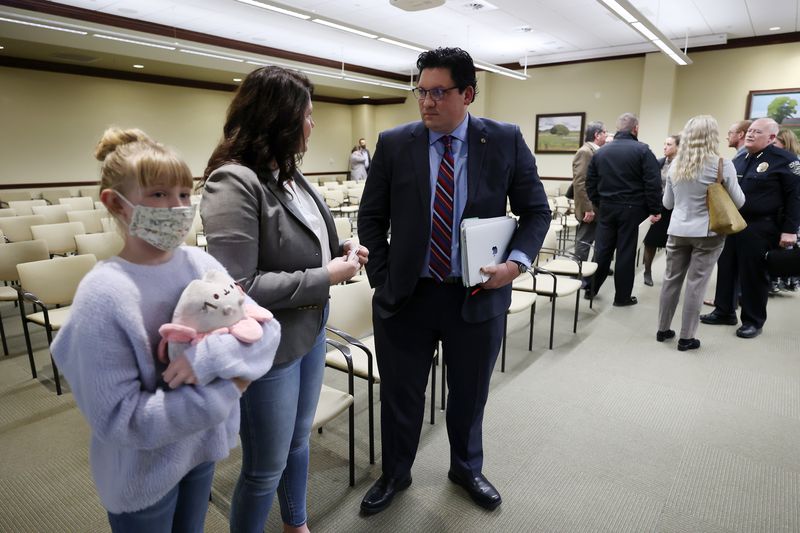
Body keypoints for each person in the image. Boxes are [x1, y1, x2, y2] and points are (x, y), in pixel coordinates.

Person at [51, 127, 280, 532]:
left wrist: (208, 359)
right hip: (143, 472)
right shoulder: (104, 295)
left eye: (184, 194)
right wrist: (230, 388)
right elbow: (122, 420)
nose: (176, 207)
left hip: (200, 450)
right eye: (158, 195)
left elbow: (265, 329)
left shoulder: (197, 263)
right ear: (116, 204)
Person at [357, 47, 551, 515]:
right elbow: (371, 217)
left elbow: (536, 211)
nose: (426, 102)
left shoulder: (503, 140)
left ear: (468, 94)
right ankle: (395, 473)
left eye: (438, 92)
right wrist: (382, 280)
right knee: (401, 394)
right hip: (407, 297)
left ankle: (466, 468)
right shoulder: (395, 142)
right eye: (421, 92)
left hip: (478, 294)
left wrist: (517, 263)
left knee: (469, 392)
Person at [201, 66, 367, 533]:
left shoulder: (290, 174)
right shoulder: (233, 181)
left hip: (309, 332)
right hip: (267, 346)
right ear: (279, 118)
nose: (313, 125)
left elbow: (307, 244)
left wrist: (344, 250)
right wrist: (327, 274)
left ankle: (295, 524)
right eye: (307, 116)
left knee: (298, 442)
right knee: (263, 469)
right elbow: (237, 288)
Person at [700, 118, 800, 338]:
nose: (750, 135)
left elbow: (795, 198)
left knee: (753, 274)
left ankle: (753, 320)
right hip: (733, 223)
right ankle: (724, 311)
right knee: (727, 268)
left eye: (757, 132)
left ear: (772, 137)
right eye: (750, 131)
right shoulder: (741, 159)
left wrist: (790, 230)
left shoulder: (786, 161)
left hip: (761, 226)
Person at [656, 116, 745, 351]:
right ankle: (687, 337)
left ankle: (663, 329)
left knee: (670, 280)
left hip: (677, 230)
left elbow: (667, 204)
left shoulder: (676, 164)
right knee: (697, 284)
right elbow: (740, 201)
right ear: (712, 136)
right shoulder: (721, 164)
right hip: (708, 233)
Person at [585, 112, 662, 306]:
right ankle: (622, 297)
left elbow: (590, 183)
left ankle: (590, 288)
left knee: (602, 250)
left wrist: (599, 203)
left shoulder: (601, 152)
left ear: (618, 128)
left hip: (607, 208)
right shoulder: (643, 151)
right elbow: (652, 183)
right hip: (632, 209)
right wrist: (655, 209)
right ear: (635, 129)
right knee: (626, 253)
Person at [642, 134, 680, 286]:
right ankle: (647, 271)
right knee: (651, 241)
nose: (665, 147)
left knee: (671, 244)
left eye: (669, 144)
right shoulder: (658, 163)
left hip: (674, 209)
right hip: (657, 206)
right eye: (664, 144)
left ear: (678, 147)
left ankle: (669, 274)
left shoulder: (683, 165)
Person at [572, 121, 607, 262]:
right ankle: (577, 274)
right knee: (584, 241)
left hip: (596, 205)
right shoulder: (585, 152)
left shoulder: (596, 151)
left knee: (593, 240)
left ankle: (589, 274)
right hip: (589, 208)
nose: (607, 135)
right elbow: (580, 182)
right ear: (597, 135)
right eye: (605, 132)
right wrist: (588, 208)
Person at [770, 127, 800, 292]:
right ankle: (780, 282)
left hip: (790, 213)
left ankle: (779, 281)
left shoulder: (793, 164)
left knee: (787, 248)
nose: (771, 146)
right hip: (786, 213)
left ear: (785, 144)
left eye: (775, 143)